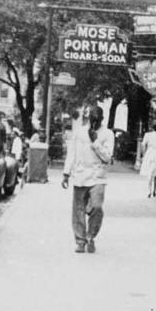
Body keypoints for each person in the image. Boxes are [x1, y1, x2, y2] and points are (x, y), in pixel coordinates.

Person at [62, 105, 115, 253]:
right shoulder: (79, 132)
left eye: (97, 120)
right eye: (92, 119)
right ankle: (80, 241)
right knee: (78, 210)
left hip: (98, 176)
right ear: (88, 118)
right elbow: (71, 153)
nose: (94, 122)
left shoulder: (108, 134)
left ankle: (91, 236)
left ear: (102, 119)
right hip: (80, 175)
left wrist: (95, 142)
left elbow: (107, 157)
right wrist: (66, 173)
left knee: (97, 207)